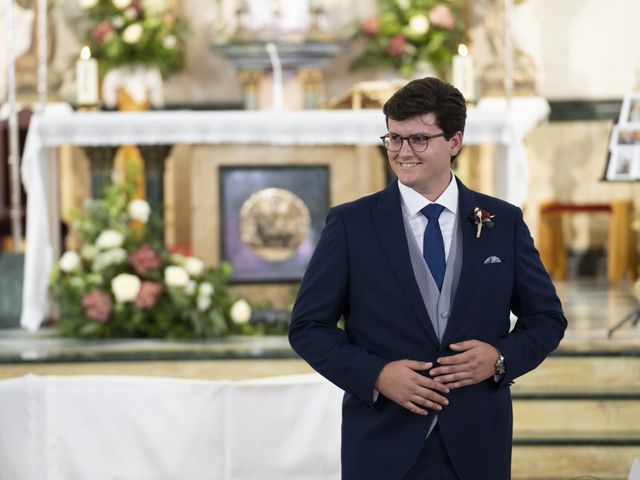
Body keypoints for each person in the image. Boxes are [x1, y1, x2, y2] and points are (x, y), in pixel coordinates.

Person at [288, 77, 566, 480]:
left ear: (454, 142)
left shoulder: (501, 222)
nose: (403, 152)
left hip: (476, 443)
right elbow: (308, 327)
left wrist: (501, 359)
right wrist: (377, 376)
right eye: (394, 139)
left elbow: (547, 319)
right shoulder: (351, 224)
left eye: (419, 139)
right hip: (384, 441)